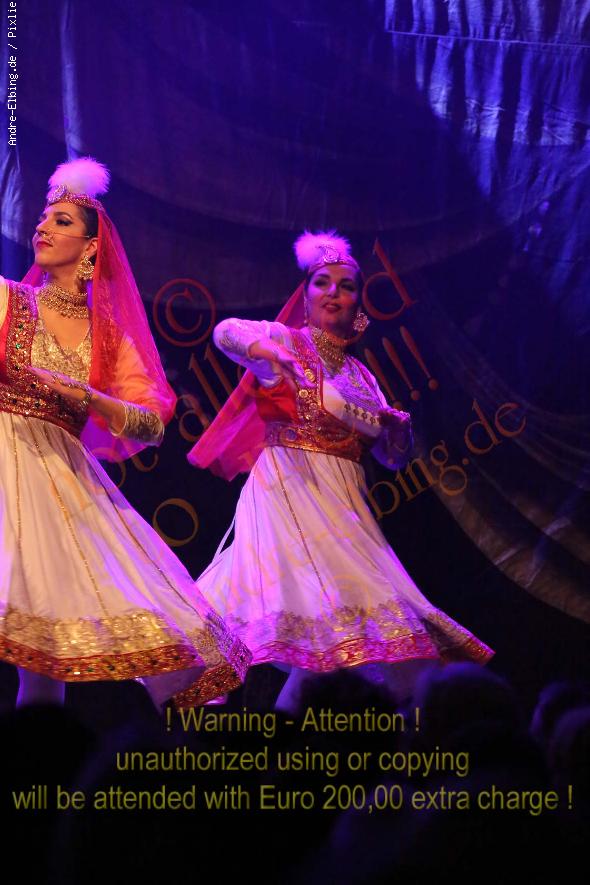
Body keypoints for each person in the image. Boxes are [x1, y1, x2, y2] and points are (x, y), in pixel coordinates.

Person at [189, 231, 493, 710]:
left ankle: (280, 731)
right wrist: (267, 352)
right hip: (291, 489)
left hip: (347, 506)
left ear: (358, 304)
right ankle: (218, 705)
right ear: (306, 295)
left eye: (346, 285)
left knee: (334, 640)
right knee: (331, 619)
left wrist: (398, 432)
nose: (333, 292)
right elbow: (226, 331)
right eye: (322, 282)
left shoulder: (363, 377)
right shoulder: (287, 340)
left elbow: (391, 460)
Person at [0, 157, 249, 709]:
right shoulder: (8, 300)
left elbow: (152, 424)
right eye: (43, 217)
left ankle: (38, 757)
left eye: (62, 221)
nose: (43, 226)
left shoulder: (109, 339)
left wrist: (88, 398)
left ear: (92, 247)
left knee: (45, 658)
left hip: (57, 484)